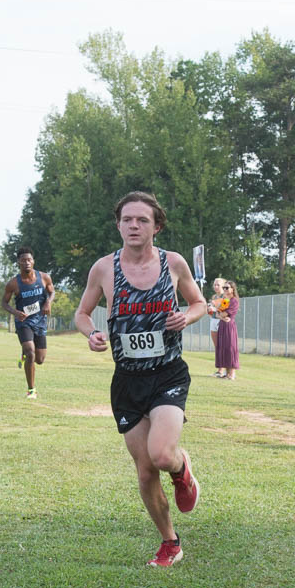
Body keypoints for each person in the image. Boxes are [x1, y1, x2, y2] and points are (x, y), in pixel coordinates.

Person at [73, 191, 205, 567]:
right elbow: (82, 314)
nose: (133, 225)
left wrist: (187, 318)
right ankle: (170, 542)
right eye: (127, 219)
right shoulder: (103, 268)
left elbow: (197, 303)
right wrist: (91, 334)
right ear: (118, 225)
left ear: (156, 226)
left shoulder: (174, 264)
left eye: (142, 220)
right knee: (146, 470)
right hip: (127, 379)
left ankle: (182, 470)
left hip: (167, 373)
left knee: (161, 454)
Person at [1, 247, 55, 399]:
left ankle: (25, 353)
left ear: (33, 261)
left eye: (29, 260)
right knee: (31, 352)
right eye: (23, 260)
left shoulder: (44, 277)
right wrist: (15, 312)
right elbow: (4, 303)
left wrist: (48, 303)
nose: (27, 263)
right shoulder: (13, 283)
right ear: (18, 262)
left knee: (40, 360)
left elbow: (52, 292)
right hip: (24, 322)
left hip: (40, 322)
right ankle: (31, 390)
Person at [215, 280, 240, 381]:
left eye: (227, 287)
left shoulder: (234, 301)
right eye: (224, 287)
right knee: (223, 347)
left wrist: (222, 315)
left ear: (232, 289)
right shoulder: (225, 300)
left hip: (229, 326)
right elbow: (217, 314)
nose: (224, 289)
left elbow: (225, 313)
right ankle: (226, 373)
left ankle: (232, 374)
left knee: (230, 348)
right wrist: (222, 317)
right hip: (222, 325)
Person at [207, 277, 227, 357]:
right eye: (214, 285)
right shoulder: (214, 297)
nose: (215, 287)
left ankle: (226, 367)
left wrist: (214, 309)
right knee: (217, 347)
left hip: (221, 321)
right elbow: (211, 313)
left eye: (218, 285)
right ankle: (220, 368)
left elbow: (224, 309)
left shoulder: (226, 296)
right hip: (213, 321)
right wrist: (208, 310)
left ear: (222, 286)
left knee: (223, 346)